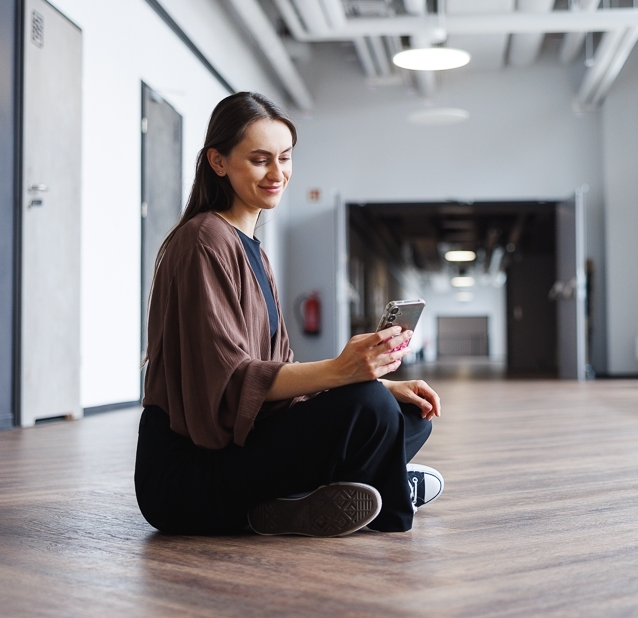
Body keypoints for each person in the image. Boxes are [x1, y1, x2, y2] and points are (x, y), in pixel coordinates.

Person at [135, 91, 443, 537]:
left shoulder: (251, 247)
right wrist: (343, 372)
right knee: (371, 410)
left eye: (284, 158)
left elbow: (277, 372)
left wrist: (376, 380)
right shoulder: (204, 239)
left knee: (406, 412)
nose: (277, 173)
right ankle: (384, 481)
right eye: (260, 160)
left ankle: (301, 500)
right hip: (186, 479)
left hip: (236, 454)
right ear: (218, 162)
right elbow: (231, 383)